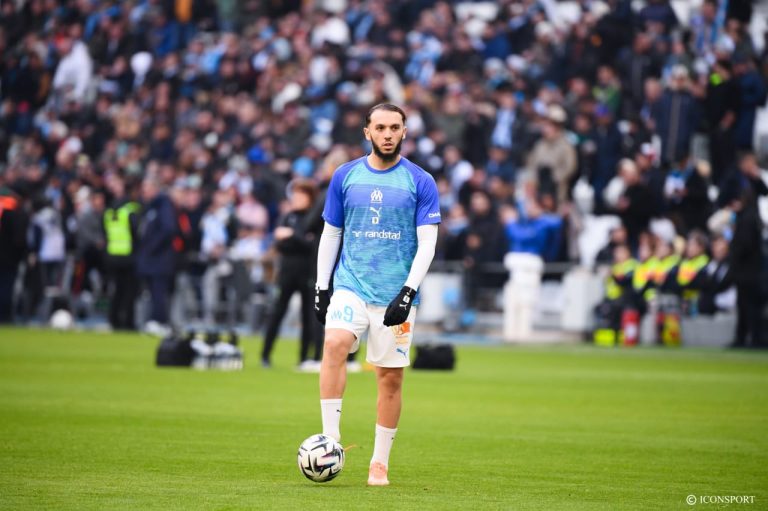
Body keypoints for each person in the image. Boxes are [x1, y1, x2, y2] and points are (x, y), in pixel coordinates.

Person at [313, 104, 440, 486]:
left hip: (395, 294)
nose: (388, 134)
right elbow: (332, 232)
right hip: (350, 284)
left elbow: (427, 243)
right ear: (367, 132)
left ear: (404, 132)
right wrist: (322, 285)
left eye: (394, 128)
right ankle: (330, 439)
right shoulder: (345, 175)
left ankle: (379, 462)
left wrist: (408, 292)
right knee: (334, 343)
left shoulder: (420, 181)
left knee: (389, 379)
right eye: (380, 127)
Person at [261, 178, 320, 370]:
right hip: (286, 273)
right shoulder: (288, 217)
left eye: (300, 196)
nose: (296, 199)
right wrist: (299, 239)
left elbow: (311, 245)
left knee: (307, 316)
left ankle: (304, 357)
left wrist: (292, 235)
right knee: (277, 312)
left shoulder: (313, 218)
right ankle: (265, 355)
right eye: (294, 196)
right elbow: (281, 244)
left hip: (307, 272)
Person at [136, 175, 177, 332]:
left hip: (159, 259)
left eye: (146, 189)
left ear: (154, 188)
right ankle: (155, 320)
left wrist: (152, 247)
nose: (143, 192)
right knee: (153, 292)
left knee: (159, 292)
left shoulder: (163, 205)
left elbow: (168, 229)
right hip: (152, 259)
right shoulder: (151, 207)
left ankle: (160, 321)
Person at [103, 174, 140, 330]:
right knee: (129, 292)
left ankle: (114, 320)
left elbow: (105, 232)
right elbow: (137, 232)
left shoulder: (109, 211)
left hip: (112, 255)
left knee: (116, 291)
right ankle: (128, 322)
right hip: (128, 255)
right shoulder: (130, 209)